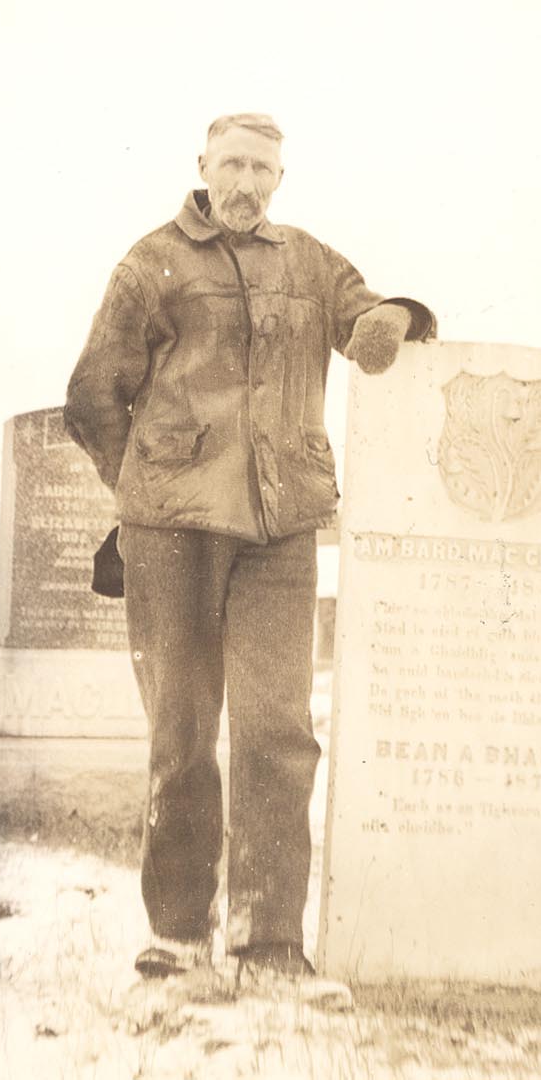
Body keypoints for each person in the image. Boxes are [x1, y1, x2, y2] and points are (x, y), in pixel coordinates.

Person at [64, 113, 436, 984]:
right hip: (172, 536)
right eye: (230, 163)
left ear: (279, 178)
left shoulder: (309, 260)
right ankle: (178, 936)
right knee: (183, 735)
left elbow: (364, 316)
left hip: (281, 531)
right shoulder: (150, 261)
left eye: (261, 168)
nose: (245, 180)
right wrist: (145, 487)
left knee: (277, 732)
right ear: (201, 167)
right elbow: (92, 394)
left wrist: (391, 318)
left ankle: (269, 942)